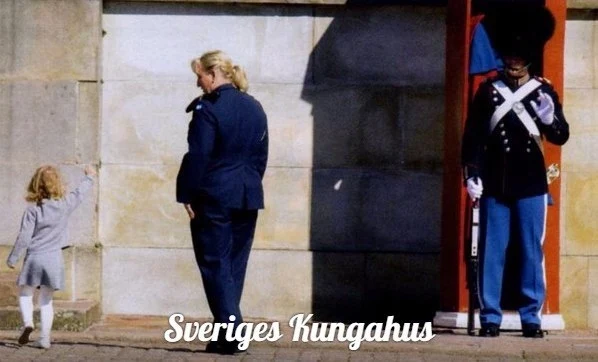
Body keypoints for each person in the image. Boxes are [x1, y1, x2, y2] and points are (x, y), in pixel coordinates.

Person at [461, 12, 569, 338]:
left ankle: (531, 317)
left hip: (532, 183)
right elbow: (473, 137)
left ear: (528, 58)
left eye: (518, 56)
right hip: (495, 182)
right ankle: (490, 316)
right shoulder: (488, 91)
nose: (513, 61)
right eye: (509, 55)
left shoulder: (542, 92)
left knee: (530, 252)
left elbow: (561, 135)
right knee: (493, 251)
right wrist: (471, 174)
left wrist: (550, 118)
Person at [176, 50, 268, 354]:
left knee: (215, 265)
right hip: (247, 194)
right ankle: (223, 335)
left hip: (214, 196)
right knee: (233, 267)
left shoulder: (208, 109)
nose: (198, 84)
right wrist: (249, 185)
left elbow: (199, 156)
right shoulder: (254, 107)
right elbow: (260, 158)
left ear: (213, 74)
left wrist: (187, 193)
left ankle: (234, 331)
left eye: (199, 76)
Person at [6, 164, 96, 348]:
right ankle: (45, 339)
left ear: (35, 185)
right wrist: (89, 176)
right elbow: (79, 194)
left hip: (34, 257)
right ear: (58, 184)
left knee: (25, 293)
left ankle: (28, 323)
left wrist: (13, 258)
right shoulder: (64, 205)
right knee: (46, 300)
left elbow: (24, 237)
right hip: (54, 258)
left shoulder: (32, 210)